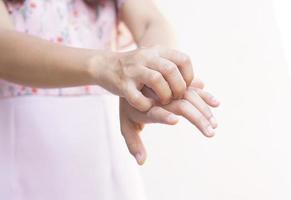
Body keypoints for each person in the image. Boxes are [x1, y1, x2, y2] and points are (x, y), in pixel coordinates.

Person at [0, 0, 220, 199]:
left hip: (103, 151)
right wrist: (107, 66)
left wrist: (151, 74)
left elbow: (151, 22)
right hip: (25, 149)